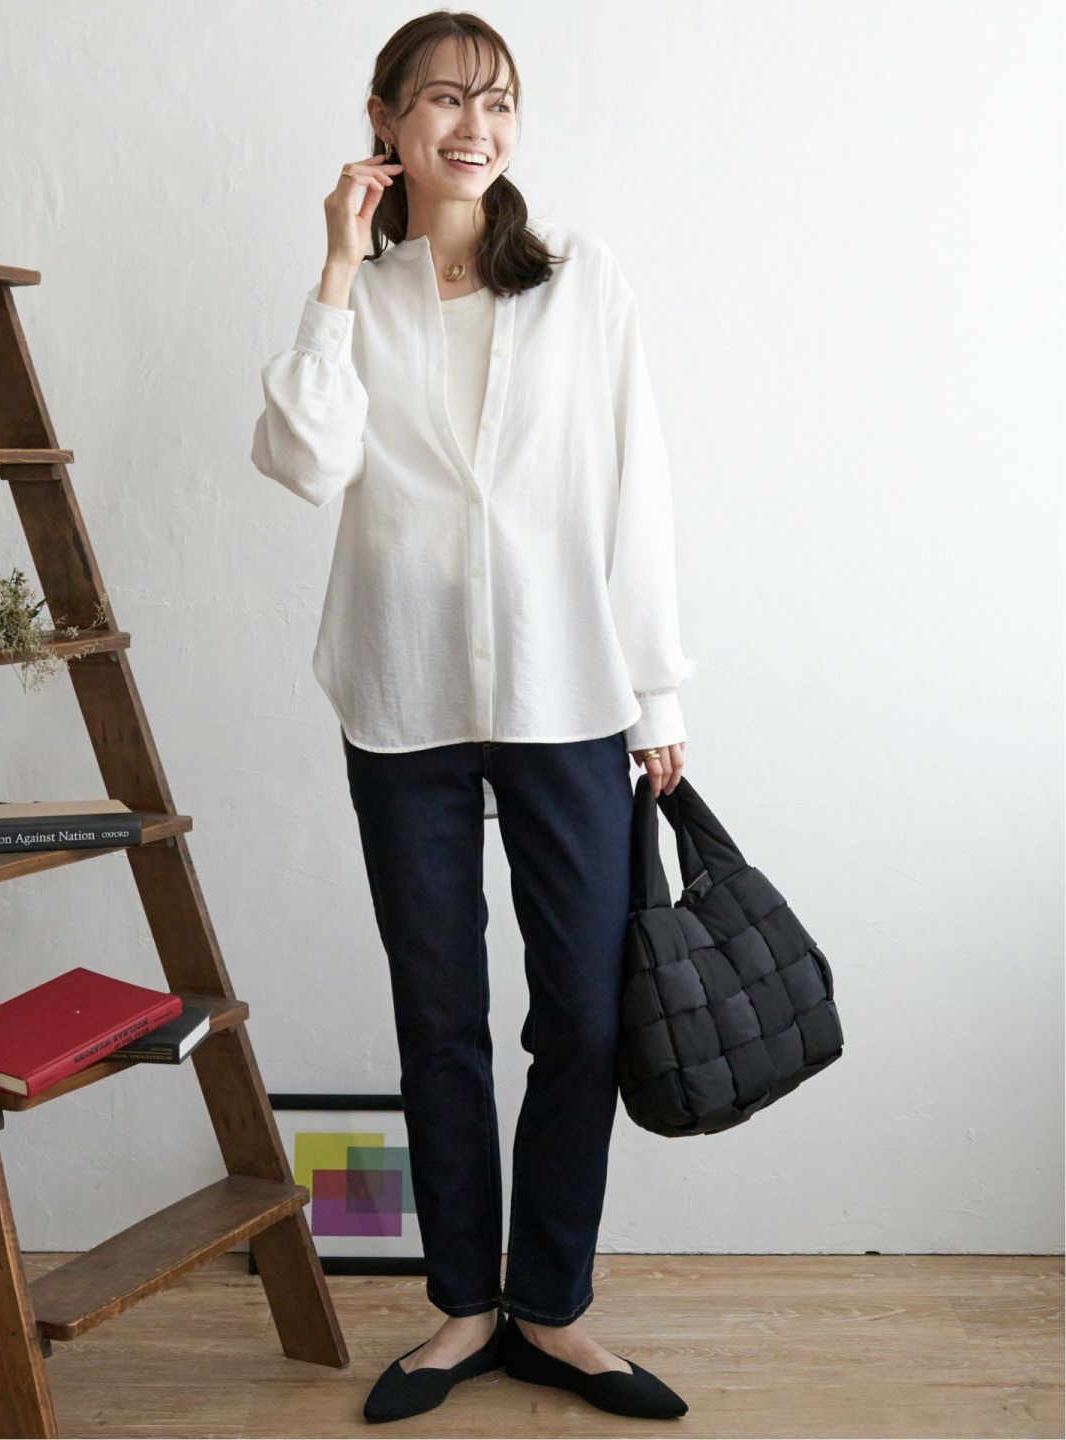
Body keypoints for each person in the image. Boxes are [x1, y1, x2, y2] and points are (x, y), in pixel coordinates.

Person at [251, 10, 693, 1425]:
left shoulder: (578, 281)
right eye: (442, 99)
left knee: (582, 1015)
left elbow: (635, 488)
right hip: (404, 696)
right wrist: (335, 267)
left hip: (569, 694)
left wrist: (657, 691)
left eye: (496, 102)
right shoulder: (366, 301)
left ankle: (549, 1308)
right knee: (439, 1015)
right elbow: (303, 460)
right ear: (385, 119)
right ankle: (463, 1307)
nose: (474, 125)